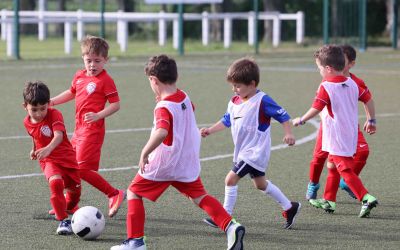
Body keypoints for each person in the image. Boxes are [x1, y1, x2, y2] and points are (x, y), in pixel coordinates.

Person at [111, 55, 245, 250]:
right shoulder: (183, 96)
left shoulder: (163, 107)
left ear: (154, 80)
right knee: (200, 197)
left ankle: (135, 242)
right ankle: (231, 226)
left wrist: (145, 151)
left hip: (164, 162)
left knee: (133, 193)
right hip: (186, 161)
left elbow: (162, 131)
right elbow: (190, 108)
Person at [201, 57, 301, 230]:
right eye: (233, 86)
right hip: (243, 151)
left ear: (252, 84)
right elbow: (227, 120)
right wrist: (210, 130)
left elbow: (283, 116)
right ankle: (289, 207)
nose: (234, 90)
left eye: (238, 86)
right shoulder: (234, 102)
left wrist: (288, 133)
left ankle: (223, 217)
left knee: (230, 179)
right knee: (260, 184)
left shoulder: (263, 100)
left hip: (255, 151)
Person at [292, 45, 378, 218]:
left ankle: (366, 197)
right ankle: (329, 200)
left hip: (336, 135)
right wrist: (372, 120)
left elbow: (316, 108)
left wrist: (301, 120)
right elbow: (367, 99)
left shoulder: (327, 87)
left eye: (319, 68)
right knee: (331, 165)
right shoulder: (352, 83)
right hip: (350, 133)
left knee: (344, 169)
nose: (319, 72)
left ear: (328, 68)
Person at [50, 35, 124, 218]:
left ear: (105, 60)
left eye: (97, 61)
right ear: (83, 58)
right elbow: (71, 92)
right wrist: (53, 102)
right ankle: (70, 204)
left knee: (81, 169)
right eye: (88, 60)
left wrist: (99, 115)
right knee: (69, 166)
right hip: (78, 130)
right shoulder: (79, 75)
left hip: (93, 131)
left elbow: (116, 104)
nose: (92, 65)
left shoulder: (106, 80)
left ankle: (114, 194)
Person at [23, 81, 81, 235]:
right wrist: (34, 150)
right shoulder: (26, 122)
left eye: (43, 108)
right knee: (55, 183)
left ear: (48, 104)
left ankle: (67, 205)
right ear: (25, 106)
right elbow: (35, 136)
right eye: (34, 109)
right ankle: (63, 220)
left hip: (67, 158)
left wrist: (48, 148)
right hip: (48, 160)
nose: (39, 113)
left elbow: (59, 136)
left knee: (75, 192)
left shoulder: (55, 114)